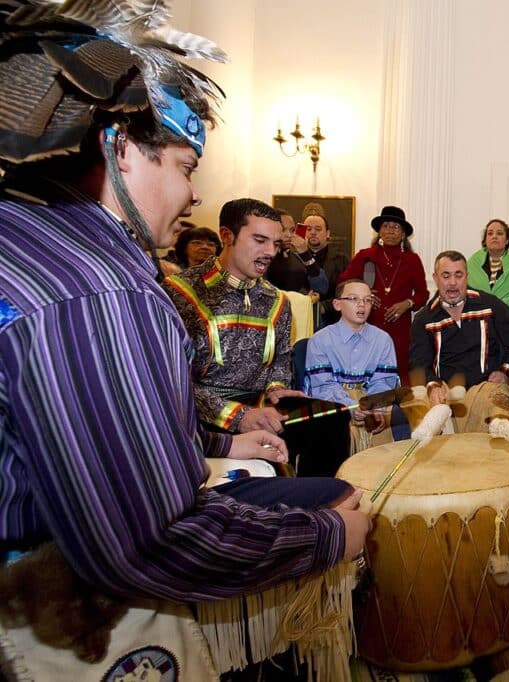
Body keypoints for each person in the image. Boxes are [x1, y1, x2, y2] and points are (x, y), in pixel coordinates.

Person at [0, 4, 367, 677]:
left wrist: (225, 444)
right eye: (185, 164)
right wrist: (326, 538)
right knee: (338, 505)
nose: (193, 192)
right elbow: (143, 542)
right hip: (43, 597)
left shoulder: (24, 237)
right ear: (117, 144)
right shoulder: (104, 289)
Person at [164, 198, 304, 436]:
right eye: (260, 240)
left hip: (260, 421)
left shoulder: (278, 301)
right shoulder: (179, 292)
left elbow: (280, 362)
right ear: (226, 236)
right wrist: (238, 417)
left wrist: (277, 390)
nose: (270, 252)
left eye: (276, 243)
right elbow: (168, 377)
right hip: (193, 425)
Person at [409, 251, 509, 432]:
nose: (453, 283)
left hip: (485, 388)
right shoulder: (424, 319)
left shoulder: (489, 305)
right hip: (445, 390)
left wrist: (505, 371)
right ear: (435, 278)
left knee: (499, 409)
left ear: (467, 277)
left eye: (459, 275)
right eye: (446, 276)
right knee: (422, 407)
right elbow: (419, 362)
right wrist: (432, 386)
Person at [304, 279, 399, 450]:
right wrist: (351, 408)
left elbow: (383, 382)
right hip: (334, 406)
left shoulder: (383, 340)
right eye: (354, 299)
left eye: (367, 300)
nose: (362, 305)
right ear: (337, 304)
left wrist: (373, 406)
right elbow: (323, 387)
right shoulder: (320, 340)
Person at [339, 205, 428, 383]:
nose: (390, 231)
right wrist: (363, 293)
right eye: (386, 226)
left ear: (403, 233)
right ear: (379, 231)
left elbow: (422, 294)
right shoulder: (365, 256)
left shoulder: (412, 260)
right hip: (368, 324)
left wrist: (407, 303)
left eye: (395, 227)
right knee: (365, 371)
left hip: (400, 329)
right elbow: (343, 284)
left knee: (397, 374)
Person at [467, 219, 509, 330]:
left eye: (499, 233)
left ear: (507, 240)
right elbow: (465, 294)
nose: (494, 236)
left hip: (508, 330)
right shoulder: (472, 263)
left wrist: (496, 307)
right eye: (490, 233)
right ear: (485, 240)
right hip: (477, 328)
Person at [300, 202, 350, 328]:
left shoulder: (341, 259)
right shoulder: (294, 258)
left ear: (327, 233)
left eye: (318, 229)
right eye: (308, 229)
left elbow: (346, 290)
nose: (312, 233)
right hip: (298, 319)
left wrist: (324, 306)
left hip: (331, 321)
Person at [264, 209, 329, 297]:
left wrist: (305, 254)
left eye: (292, 230)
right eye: (283, 229)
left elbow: (322, 288)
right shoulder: (262, 256)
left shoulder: (296, 256)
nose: (289, 235)